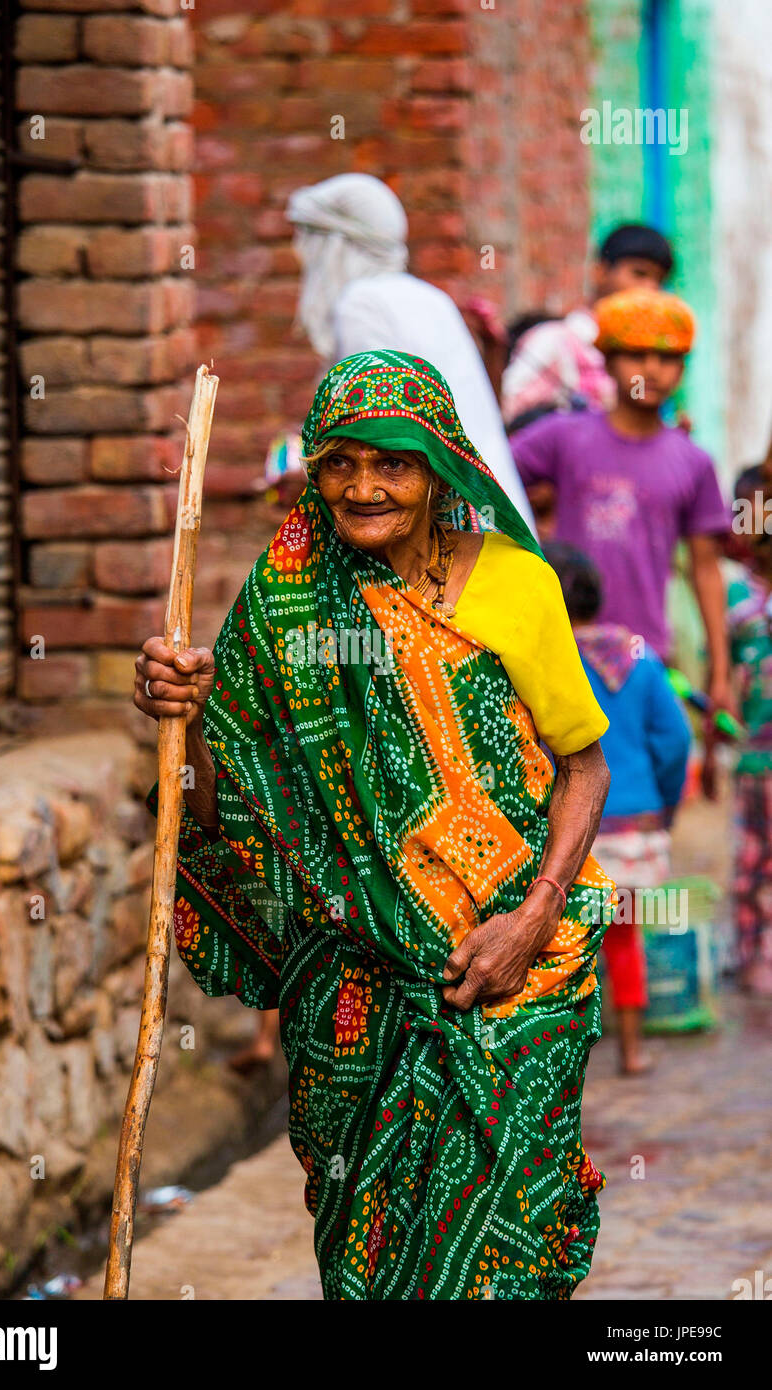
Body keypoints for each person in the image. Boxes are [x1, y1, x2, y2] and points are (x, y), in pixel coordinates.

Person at [133, 350, 617, 1301]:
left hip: (518, 971)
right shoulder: (283, 606)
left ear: (441, 468)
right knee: (374, 1244)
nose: (364, 487)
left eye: (392, 462)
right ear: (314, 471)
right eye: (340, 463)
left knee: (512, 1217)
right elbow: (226, 807)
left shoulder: (517, 584)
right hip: (353, 992)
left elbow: (584, 766)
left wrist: (531, 918)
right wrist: (179, 723)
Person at [511, 286, 734, 720]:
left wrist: (720, 672)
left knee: (636, 775)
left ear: (683, 368)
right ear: (608, 361)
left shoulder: (693, 461)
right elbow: (483, 473)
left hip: (644, 659)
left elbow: (706, 570)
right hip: (561, 647)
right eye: (636, 354)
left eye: (667, 358)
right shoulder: (563, 436)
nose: (652, 369)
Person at [285, 172, 536, 531]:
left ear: (334, 245)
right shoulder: (429, 298)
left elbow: (373, 436)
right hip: (492, 518)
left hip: (450, 535)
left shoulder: (361, 305)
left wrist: (310, 476)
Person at [545, 543, 691, 1073]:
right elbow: (674, 741)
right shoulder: (641, 657)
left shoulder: (544, 660)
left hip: (567, 831)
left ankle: (565, 1061)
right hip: (634, 827)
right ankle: (631, 1052)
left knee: (563, 947)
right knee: (625, 942)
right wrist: (665, 804)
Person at [501, 222, 674, 428]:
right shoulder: (555, 341)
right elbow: (505, 418)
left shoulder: (649, 355)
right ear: (600, 272)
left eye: (659, 281)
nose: (650, 289)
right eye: (639, 274)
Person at [726, 462, 772, 997]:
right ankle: (751, 951)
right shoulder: (736, 599)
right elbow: (723, 678)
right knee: (754, 862)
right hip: (755, 757)